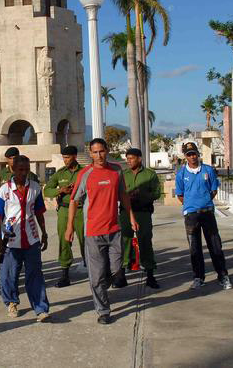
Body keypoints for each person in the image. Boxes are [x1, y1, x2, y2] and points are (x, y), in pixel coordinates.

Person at [65, 138, 138, 325]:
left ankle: (107, 283)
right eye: (95, 152)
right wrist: (70, 226)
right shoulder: (85, 174)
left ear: (107, 150)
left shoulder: (116, 170)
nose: (99, 155)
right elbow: (74, 200)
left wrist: (131, 218)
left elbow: (123, 195)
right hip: (93, 233)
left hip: (114, 230)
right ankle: (103, 311)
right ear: (90, 153)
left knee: (116, 271)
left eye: (102, 151)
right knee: (96, 276)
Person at [0, 155, 50, 321]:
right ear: (13, 169)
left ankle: (41, 308)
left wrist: (44, 233)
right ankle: (11, 302)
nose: (23, 173)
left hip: (31, 238)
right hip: (11, 239)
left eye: (26, 169)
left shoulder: (35, 188)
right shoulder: (4, 190)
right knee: (9, 274)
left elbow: (39, 213)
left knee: (35, 274)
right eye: (20, 170)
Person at [175, 142, 233, 290]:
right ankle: (198, 277)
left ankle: (223, 276)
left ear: (198, 154)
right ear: (185, 156)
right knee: (195, 248)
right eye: (189, 154)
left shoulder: (208, 170)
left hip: (207, 213)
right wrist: (191, 206)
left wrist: (204, 202)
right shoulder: (181, 174)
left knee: (215, 246)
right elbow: (180, 195)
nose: (192, 157)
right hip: (191, 216)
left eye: (194, 153)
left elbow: (213, 190)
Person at [118, 148, 161, 289]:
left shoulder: (150, 174)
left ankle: (150, 274)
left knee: (145, 241)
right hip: (126, 212)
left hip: (143, 212)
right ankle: (122, 274)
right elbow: (117, 193)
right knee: (125, 241)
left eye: (131, 158)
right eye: (127, 158)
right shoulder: (123, 175)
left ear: (139, 159)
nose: (128, 161)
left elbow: (156, 193)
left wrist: (141, 195)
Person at [43, 145, 85, 288]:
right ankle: (65, 274)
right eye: (63, 157)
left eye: (67, 157)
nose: (65, 160)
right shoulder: (60, 174)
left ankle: (93, 270)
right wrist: (60, 190)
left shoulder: (84, 172)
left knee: (86, 240)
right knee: (64, 241)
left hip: (81, 210)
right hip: (64, 211)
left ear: (75, 156)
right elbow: (47, 190)